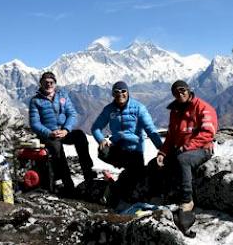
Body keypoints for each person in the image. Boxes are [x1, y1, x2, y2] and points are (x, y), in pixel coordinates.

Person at [91, 81, 163, 205]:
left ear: (128, 92)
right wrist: (101, 139)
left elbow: (151, 130)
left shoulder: (139, 108)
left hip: (135, 151)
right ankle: (122, 175)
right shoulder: (109, 109)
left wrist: (162, 149)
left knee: (133, 182)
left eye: (123, 91)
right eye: (116, 92)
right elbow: (96, 128)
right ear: (113, 94)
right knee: (103, 151)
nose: (120, 94)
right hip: (118, 149)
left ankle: (115, 183)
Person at [156, 80, 218, 212]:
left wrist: (186, 147)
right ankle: (167, 194)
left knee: (183, 160)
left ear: (188, 90)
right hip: (180, 149)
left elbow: (207, 133)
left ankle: (187, 200)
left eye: (182, 90)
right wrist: (162, 153)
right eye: (176, 92)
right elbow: (171, 136)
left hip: (202, 149)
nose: (180, 93)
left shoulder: (203, 108)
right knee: (156, 164)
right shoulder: (175, 111)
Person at [29, 71, 94, 194]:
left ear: (55, 83)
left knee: (80, 136)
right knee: (57, 149)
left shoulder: (62, 96)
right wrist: (49, 133)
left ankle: (89, 175)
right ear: (41, 84)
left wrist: (66, 129)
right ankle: (67, 183)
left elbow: (72, 114)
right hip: (48, 135)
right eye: (45, 82)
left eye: (51, 82)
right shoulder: (36, 101)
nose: (49, 85)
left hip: (63, 131)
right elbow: (35, 124)